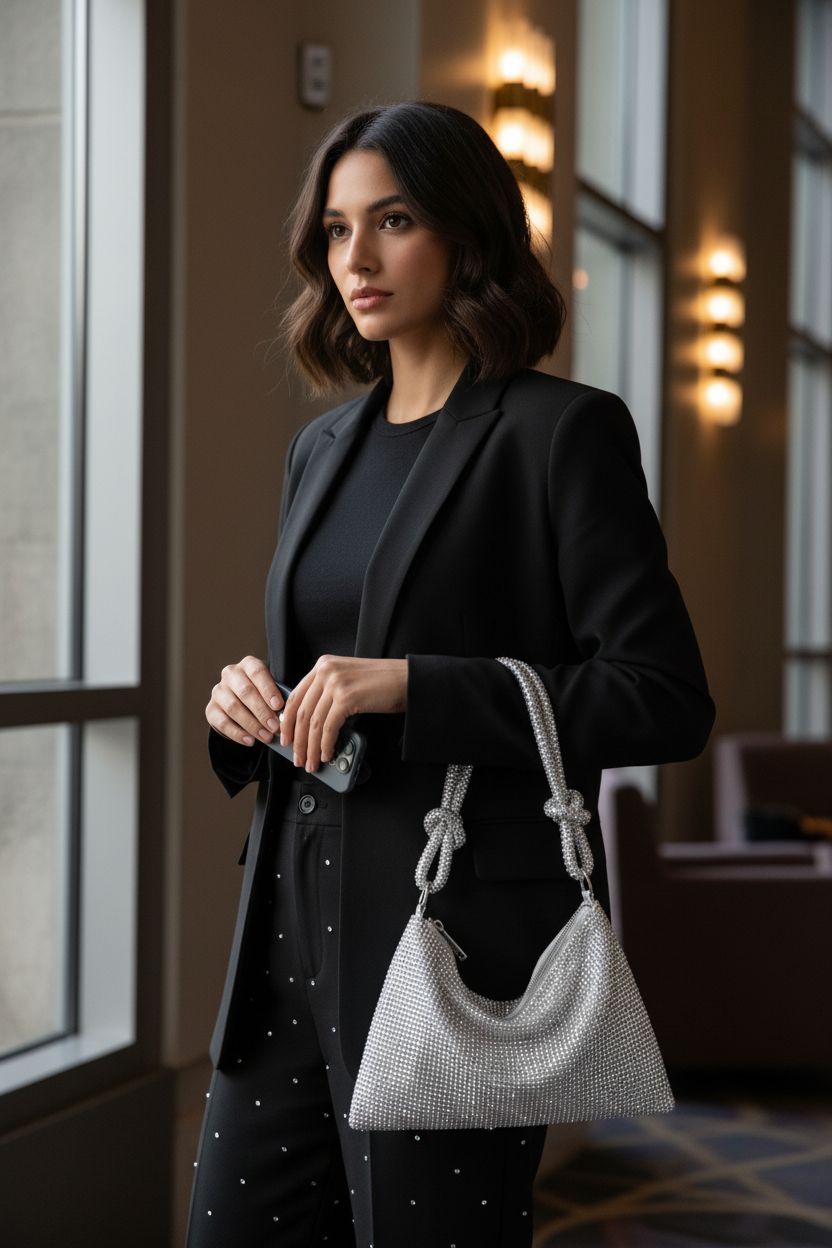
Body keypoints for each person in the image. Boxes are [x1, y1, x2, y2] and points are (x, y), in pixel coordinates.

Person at [185, 100, 715, 1247]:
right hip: (282, 929)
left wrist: (420, 687)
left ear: (466, 235)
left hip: (449, 944)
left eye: (393, 220)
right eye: (334, 230)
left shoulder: (559, 433)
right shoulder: (320, 447)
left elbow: (663, 696)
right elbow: (324, 677)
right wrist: (247, 713)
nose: (356, 260)